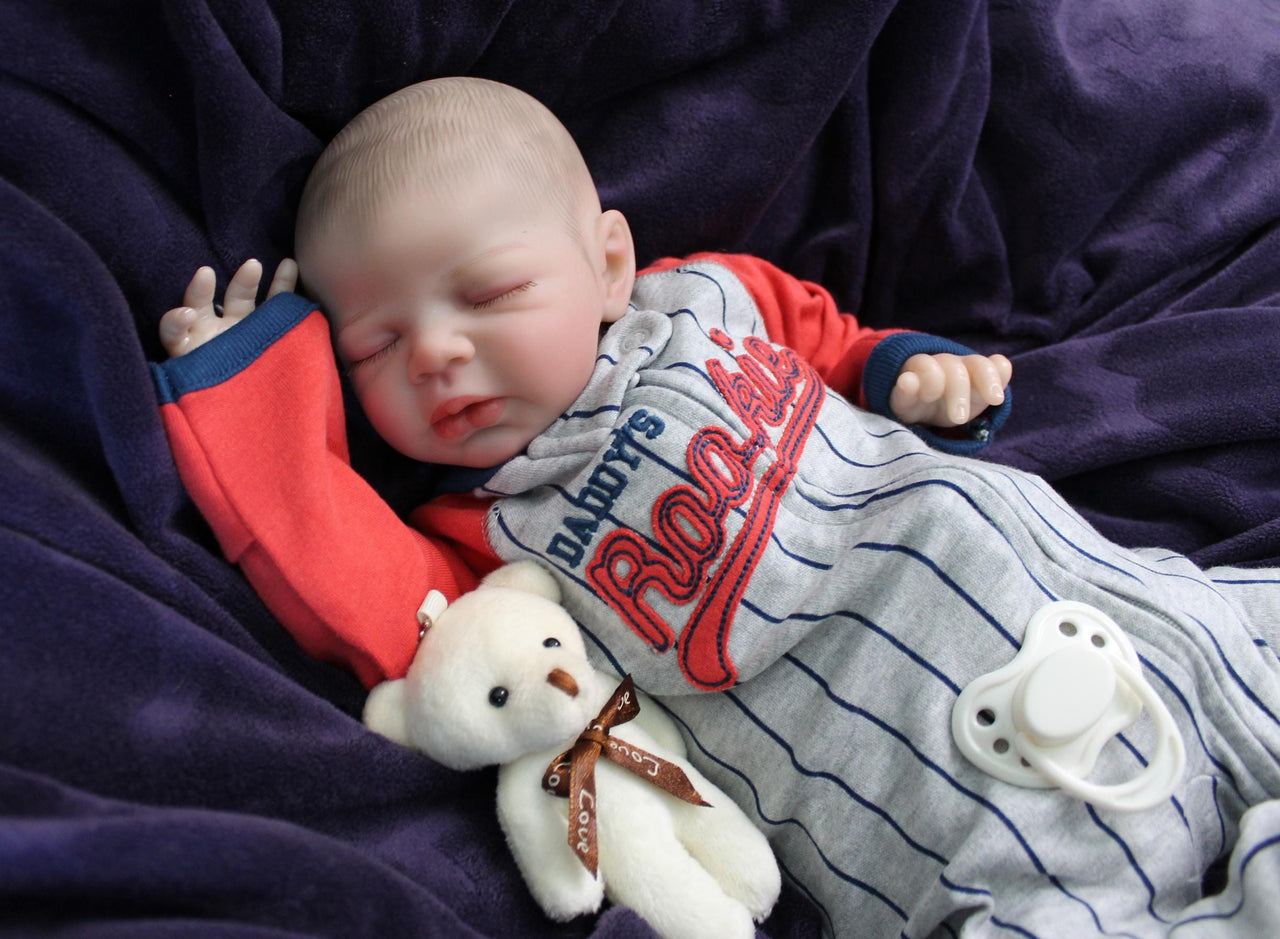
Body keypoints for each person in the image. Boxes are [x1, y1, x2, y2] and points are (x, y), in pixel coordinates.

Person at [151, 77, 1280, 937]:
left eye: (489, 292)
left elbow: (823, 335)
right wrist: (252, 391)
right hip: (956, 806)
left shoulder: (702, 299)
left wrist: (905, 371)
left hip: (1136, 609)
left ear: (607, 264)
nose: (437, 354)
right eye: (376, 346)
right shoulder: (483, 544)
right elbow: (339, 570)